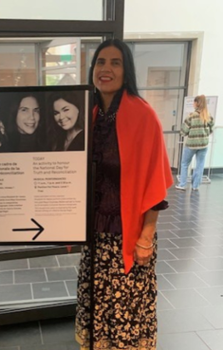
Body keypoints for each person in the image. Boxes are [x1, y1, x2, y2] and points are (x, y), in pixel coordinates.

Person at [75, 39, 173, 350]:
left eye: (115, 62)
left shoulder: (143, 115)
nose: (106, 69)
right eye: (100, 62)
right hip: (95, 235)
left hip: (129, 235)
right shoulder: (86, 115)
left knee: (126, 311)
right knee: (98, 307)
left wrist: (147, 235)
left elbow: (154, 182)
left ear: (126, 70)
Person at [175, 95, 214, 191]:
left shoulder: (191, 116)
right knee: (200, 164)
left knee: (184, 164)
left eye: (194, 102)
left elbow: (184, 131)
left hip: (191, 145)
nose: (193, 103)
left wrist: (184, 133)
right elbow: (211, 129)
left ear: (197, 103)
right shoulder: (208, 116)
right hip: (204, 144)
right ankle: (195, 186)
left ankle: (183, 184)